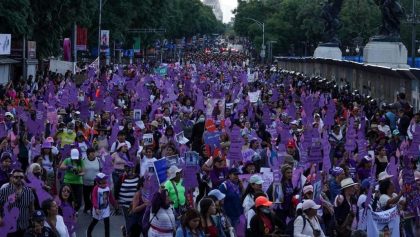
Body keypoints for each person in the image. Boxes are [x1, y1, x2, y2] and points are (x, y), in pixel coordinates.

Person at [0, 169, 35, 237]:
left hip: (24, 226)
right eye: (16, 177)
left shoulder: (29, 192)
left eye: (21, 177)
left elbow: (32, 209)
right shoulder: (4, 191)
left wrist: (33, 222)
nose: (19, 179)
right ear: (12, 178)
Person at [87, 173, 119, 237]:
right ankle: (88, 232)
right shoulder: (96, 189)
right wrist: (96, 208)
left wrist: (115, 205)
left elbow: (110, 198)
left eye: (105, 181)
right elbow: (94, 198)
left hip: (106, 209)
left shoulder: (107, 188)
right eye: (103, 181)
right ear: (98, 182)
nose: (104, 183)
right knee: (95, 221)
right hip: (98, 209)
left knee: (107, 224)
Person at [82, 147, 101, 214]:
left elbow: (101, 169)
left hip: (95, 182)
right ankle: (87, 207)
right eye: (91, 152)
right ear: (88, 154)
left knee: (94, 196)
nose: (93, 153)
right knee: (86, 196)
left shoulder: (98, 160)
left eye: (94, 152)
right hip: (85, 182)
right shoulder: (83, 160)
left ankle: (93, 208)